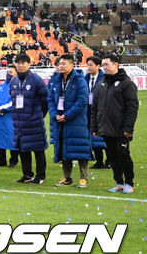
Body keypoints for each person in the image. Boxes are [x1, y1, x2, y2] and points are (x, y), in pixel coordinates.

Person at [90, 54, 139, 194]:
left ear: (116, 64)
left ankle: (129, 182)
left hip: (121, 128)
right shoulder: (101, 84)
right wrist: (94, 127)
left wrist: (128, 128)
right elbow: (95, 108)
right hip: (106, 128)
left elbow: (132, 108)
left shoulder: (127, 84)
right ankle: (119, 182)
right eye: (103, 65)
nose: (104, 67)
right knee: (112, 156)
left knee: (123, 153)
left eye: (107, 64)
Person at [47, 54, 92, 188]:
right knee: (63, 149)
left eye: (64, 63)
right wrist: (55, 114)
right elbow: (50, 99)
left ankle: (83, 178)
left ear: (72, 65)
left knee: (80, 149)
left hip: (75, 121)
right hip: (59, 121)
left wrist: (67, 115)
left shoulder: (79, 80)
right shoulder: (56, 80)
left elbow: (82, 100)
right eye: (59, 64)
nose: (61, 66)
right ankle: (67, 178)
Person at [10, 53, 49, 184]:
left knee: (38, 149)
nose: (20, 66)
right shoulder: (14, 80)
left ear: (29, 64)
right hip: (19, 122)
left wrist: (37, 115)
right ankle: (27, 174)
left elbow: (45, 100)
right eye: (18, 63)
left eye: (23, 63)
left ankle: (40, 176)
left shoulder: (36, 80)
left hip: (34, 121)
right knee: (23, 149)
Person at [85, 56, 109, 169]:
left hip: (103, 112)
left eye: (91, 65)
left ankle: (110, 160)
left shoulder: (105, 78)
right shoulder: (85, 78)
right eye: (87, 65)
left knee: (106, 137)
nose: (88, 67)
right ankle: (99, 161)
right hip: (89, 111)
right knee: (93, 136)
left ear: (98, 66)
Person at [0, 65, 18, 167]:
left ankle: (13, 161)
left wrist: (2, 109)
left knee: (12, 138)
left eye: (10, 72)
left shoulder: (17, 86)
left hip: (10, 116)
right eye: (7, 72)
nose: (8, 74)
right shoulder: (1, 86)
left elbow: (15, 101)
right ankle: (1, 160)